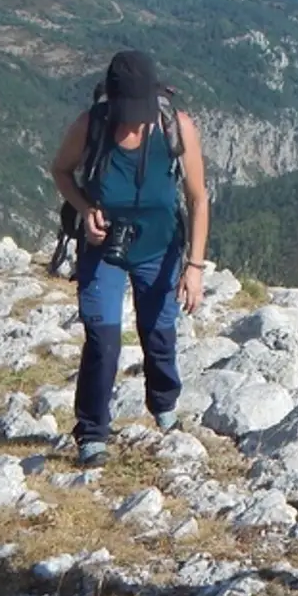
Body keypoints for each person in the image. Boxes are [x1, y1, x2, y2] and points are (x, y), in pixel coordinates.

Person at [50, 49, 210, 467]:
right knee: (102, 339)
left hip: (161, 247)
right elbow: (61, 171)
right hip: (105, 248)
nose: (134, 120)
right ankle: (92, 432)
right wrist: (85, 209)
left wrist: (194, 267)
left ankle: (164, 405)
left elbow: (197, 198)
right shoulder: (92, 126)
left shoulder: (178, 127)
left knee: (158, 333)